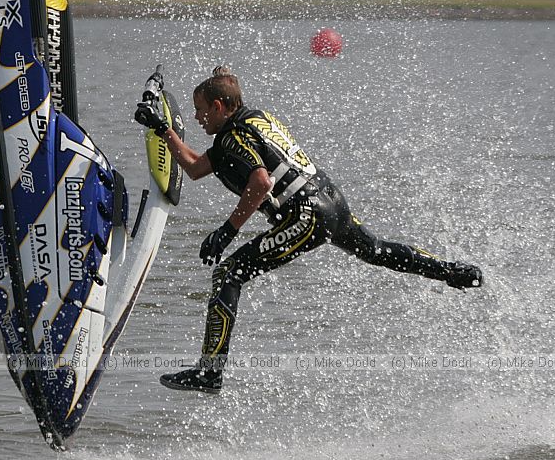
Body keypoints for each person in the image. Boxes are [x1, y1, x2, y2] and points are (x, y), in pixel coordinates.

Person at [134, 66, 483, 393]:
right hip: (332, 202)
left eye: (201, 110)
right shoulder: (253, 119)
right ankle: (450, 272)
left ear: (219, 106)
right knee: (376, 250)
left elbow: (260, 182)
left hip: (306, 215)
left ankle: (210, 372)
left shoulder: (231, 138)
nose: (196, 118)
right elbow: (194, 167)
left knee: (228, 274)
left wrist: (226, 231)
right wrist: (162, 128)